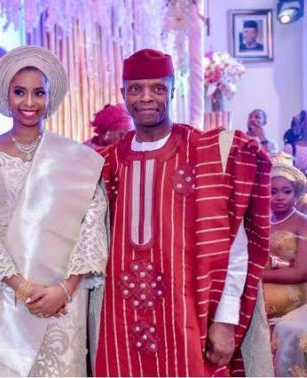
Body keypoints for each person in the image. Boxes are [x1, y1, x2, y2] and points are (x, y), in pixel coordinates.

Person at [94, 49, 273, 376]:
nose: (146, 98)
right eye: (136, 89)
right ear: (123, 94)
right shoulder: (107, 164)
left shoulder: (205, 153)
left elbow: (234, 244)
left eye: (157, 88)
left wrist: (225, 320)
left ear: (173, 90)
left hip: (191, 321)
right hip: (119, 325)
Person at [0, 46, 108, 376]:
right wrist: (21, 287)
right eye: (20, 92)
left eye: (38, 93)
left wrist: (65, 289)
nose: (29, 103)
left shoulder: (75, 157)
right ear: (6, 95)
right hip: (9, 294)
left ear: (50, 97)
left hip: (64, 299)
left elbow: (92, 222)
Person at [262, 152, 307, 376]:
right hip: (260, 292)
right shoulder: (261, 222)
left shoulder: (303, 223)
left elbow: (301, 272)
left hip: (294, 297)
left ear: (296, 193)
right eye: (272, 191)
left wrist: (259, 274)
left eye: (286, 191)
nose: (279, 197)